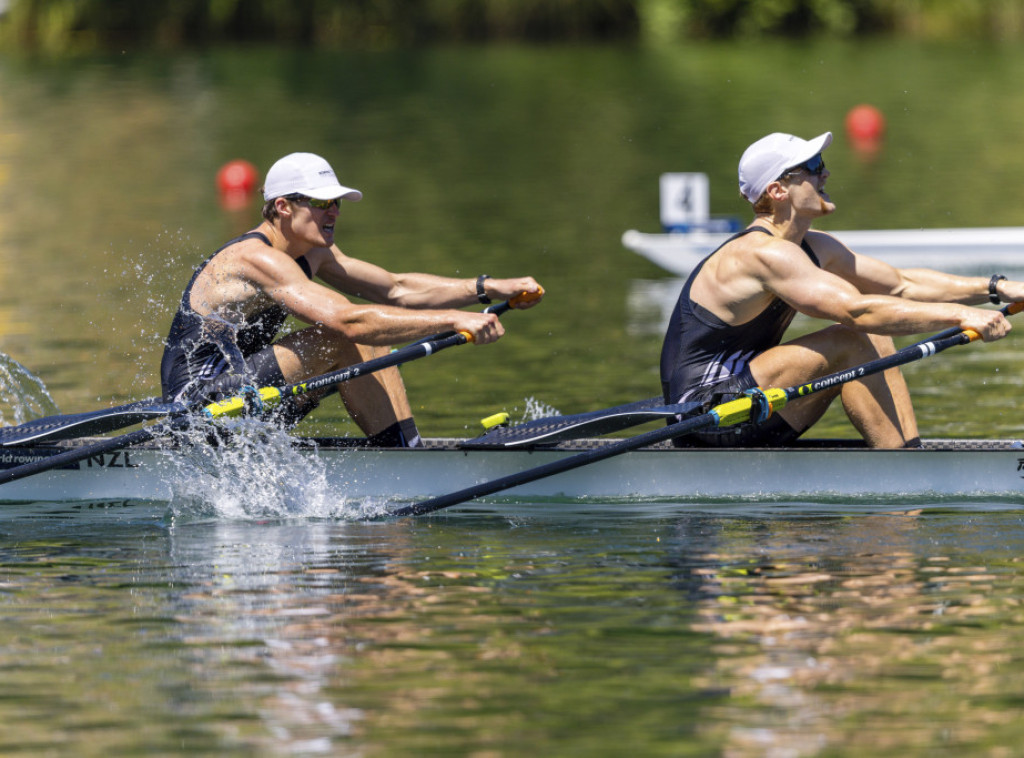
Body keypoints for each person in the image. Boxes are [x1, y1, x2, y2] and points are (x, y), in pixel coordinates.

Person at [660, 131, 1024, 449]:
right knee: (851, 338)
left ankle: (907, 456)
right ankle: (902, 471)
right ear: (777, 190)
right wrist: (963, 315)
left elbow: (901, 284)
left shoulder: (814, 247)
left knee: (872, 335)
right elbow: (857, 310)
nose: (826, 172)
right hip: (707, 416)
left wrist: (999, 287)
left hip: (756, 401)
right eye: (813, 165)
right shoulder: (762, 254)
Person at [160, 151, 543, 447]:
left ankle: (406, 452)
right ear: (283, 206)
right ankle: (405, 462)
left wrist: (487, 288)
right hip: (198, 407)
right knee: (346, 335)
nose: (334, 212)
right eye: (322, 203)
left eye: (337, 203)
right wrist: (454, 320)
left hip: (245, 397)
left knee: (364, 336)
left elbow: (395, 288)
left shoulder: (313, 252)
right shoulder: (254, 258)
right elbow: (349, 320)